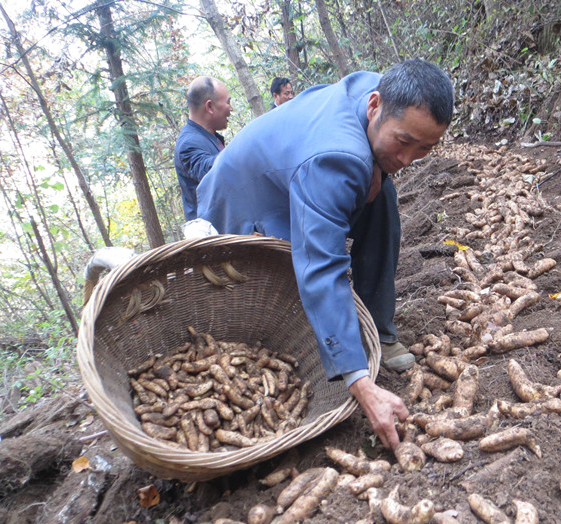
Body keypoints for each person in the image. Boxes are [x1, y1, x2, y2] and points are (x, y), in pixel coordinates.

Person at [197, 59, 454, 450]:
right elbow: (322, 266)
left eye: (425, 148)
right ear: (374, 107)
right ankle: (341, 359)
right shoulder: (335, 157)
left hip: (295, 169)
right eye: (403, 143)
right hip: (246, 196)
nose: (407, 159)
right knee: (289, 282)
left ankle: (378, 333)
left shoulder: (387, 94)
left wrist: (377, 172)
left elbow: (381, 156)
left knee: (382, 196)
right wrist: (361, 383)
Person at [174, 76, 232, 221]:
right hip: (211, 238)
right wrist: (246, 149)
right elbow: (208, 169)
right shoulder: (188, 143)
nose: (231, 108)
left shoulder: (209, 136)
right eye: (228, 102)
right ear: (210, 107)